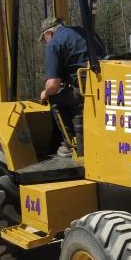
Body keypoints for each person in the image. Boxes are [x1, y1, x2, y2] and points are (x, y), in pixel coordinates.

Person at [39, 17, 105, 157]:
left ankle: (69, 144)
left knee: (55, 96)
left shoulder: (54, 44)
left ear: (49, 33)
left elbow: (53, 84)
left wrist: (45, 93)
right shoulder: (86, 32)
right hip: (105, 87)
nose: (46, 43)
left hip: (85, 92)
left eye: (44, 39)